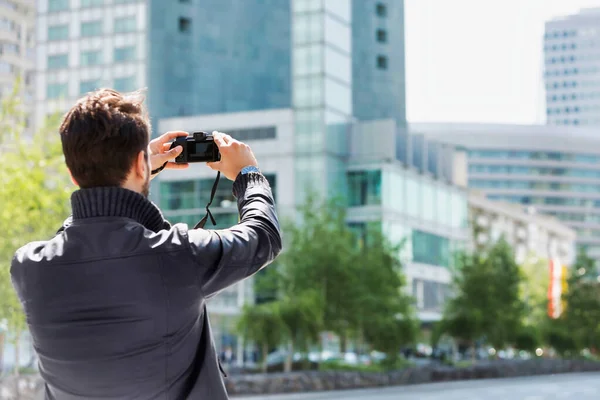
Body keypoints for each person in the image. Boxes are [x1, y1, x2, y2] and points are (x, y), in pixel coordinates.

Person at [10, 88, 282, 399]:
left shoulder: (28, 267)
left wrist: (133, 171)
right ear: (142, 164)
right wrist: (248, 173)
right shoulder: (179, 255)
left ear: (72, 175)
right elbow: (264, 236)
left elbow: (86, 237)